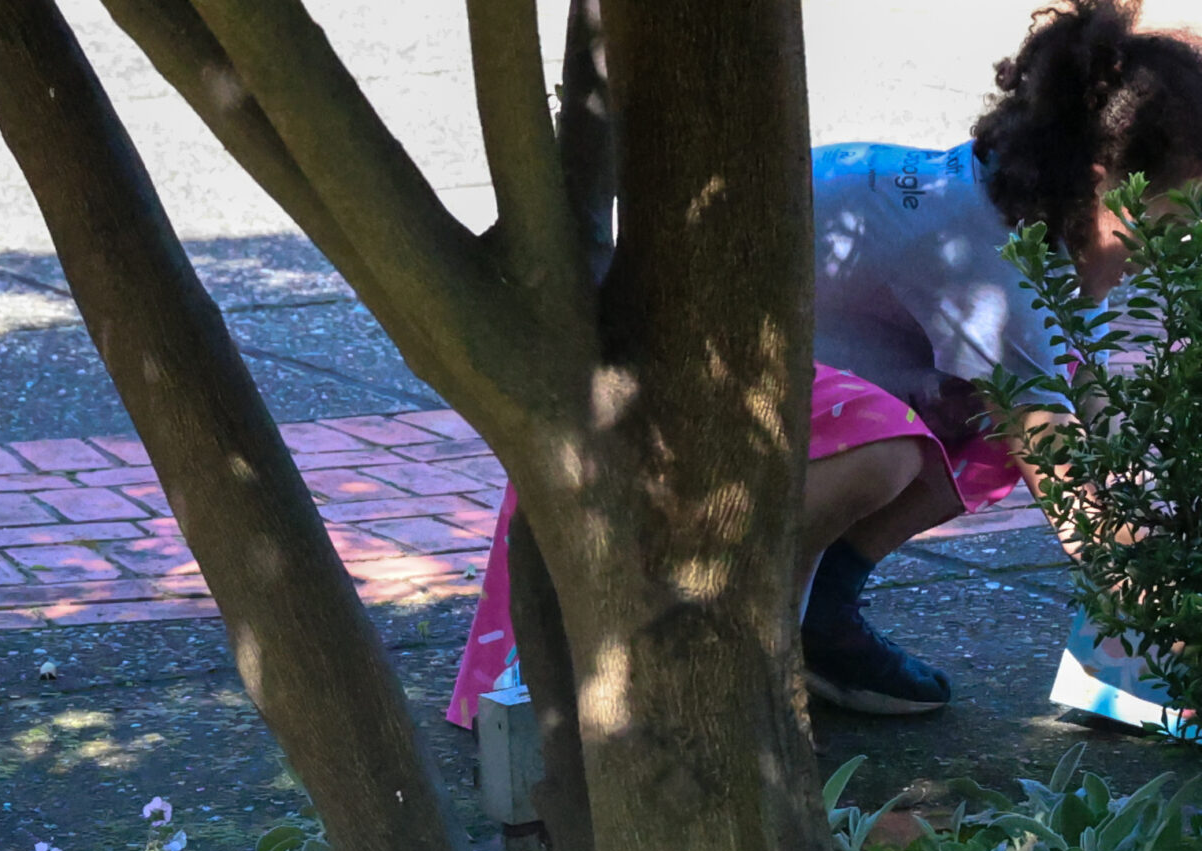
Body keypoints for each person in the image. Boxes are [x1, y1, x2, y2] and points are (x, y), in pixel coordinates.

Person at [447, 0, 1202, 724]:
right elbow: (1073, 491)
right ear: (1108, 183)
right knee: (892, 451)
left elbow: (1104, 434)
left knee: (995, 417)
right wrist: (1174, 640)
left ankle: (820, 609)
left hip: (759, 388)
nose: (1177, 253)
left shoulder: (1038, 222)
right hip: (661, 416)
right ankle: (703, 640)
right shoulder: (988, 264)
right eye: (1172, 227)